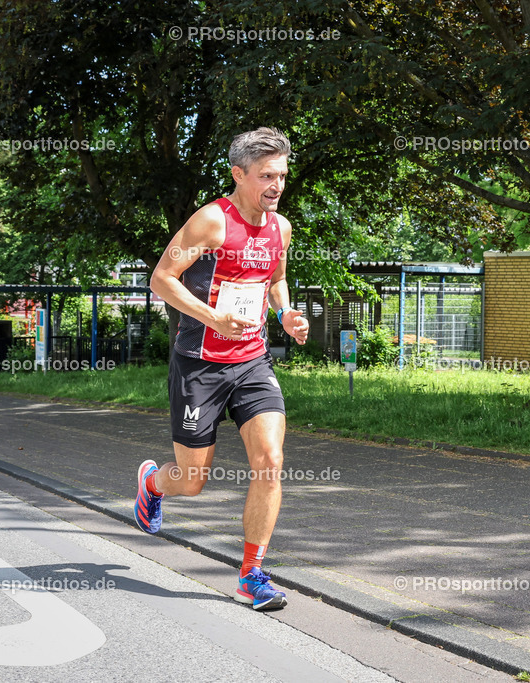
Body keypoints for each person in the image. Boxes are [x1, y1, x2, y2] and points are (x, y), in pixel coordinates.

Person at [134, 127, 309, 610]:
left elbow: (276, 280)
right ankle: (152, 482)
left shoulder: (281, 228)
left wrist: (285, 314)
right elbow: (161, 279)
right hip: (200, 366)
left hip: (252, 361)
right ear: (239, 174)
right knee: (192, 481)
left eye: (282, 176)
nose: (276, 186)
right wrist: (213, 318)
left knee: (270, 462)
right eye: (266, 176)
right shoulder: (210, 221)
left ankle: (251, 574)